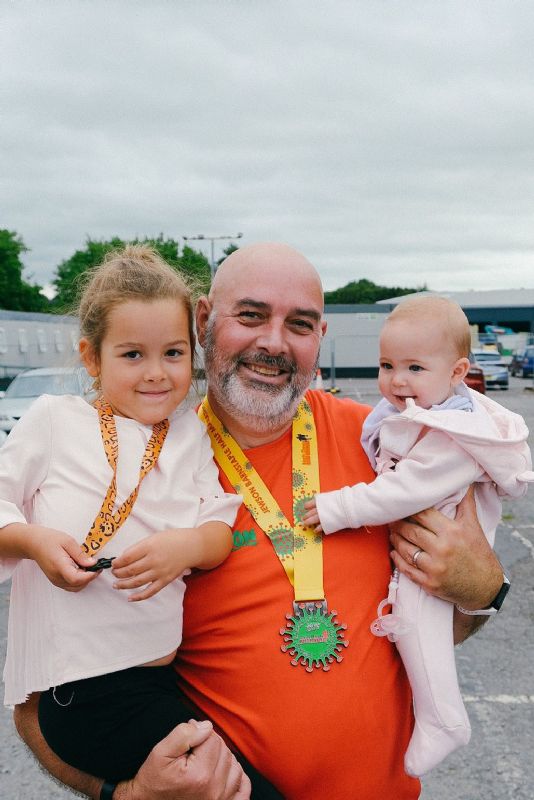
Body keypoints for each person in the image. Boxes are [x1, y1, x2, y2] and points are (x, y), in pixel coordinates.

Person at [12, 244, 507, 800]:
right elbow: (42, 705)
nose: (273, 342)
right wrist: (128, 794)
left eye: (298, 324)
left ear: (320, 337)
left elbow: (446, 610)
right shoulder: (135, 466)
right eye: (250, 316)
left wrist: (482, 592)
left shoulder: (386, 446)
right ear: (204, 322)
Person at [0, 245, 282, 797]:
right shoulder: (56, 421)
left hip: (156, 680)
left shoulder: (190, 434)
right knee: (243, 791)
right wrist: (34, 541)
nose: (157, 374)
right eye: (132, 355)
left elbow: (219, 528)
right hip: (84, 696)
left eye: (174, 353)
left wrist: (186, 547)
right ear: (92, 358)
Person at [303, 295, 534, 776]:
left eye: (414, 367)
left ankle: (443, 717)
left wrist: (338, 507)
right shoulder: (412, 414)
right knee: (409, 619)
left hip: (435, 550)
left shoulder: (454, 434)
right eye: (387, 365)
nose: (397, 380)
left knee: (418, 622)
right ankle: (437, 716)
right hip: (419, 547)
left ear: (456, 372)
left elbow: (403, 490)